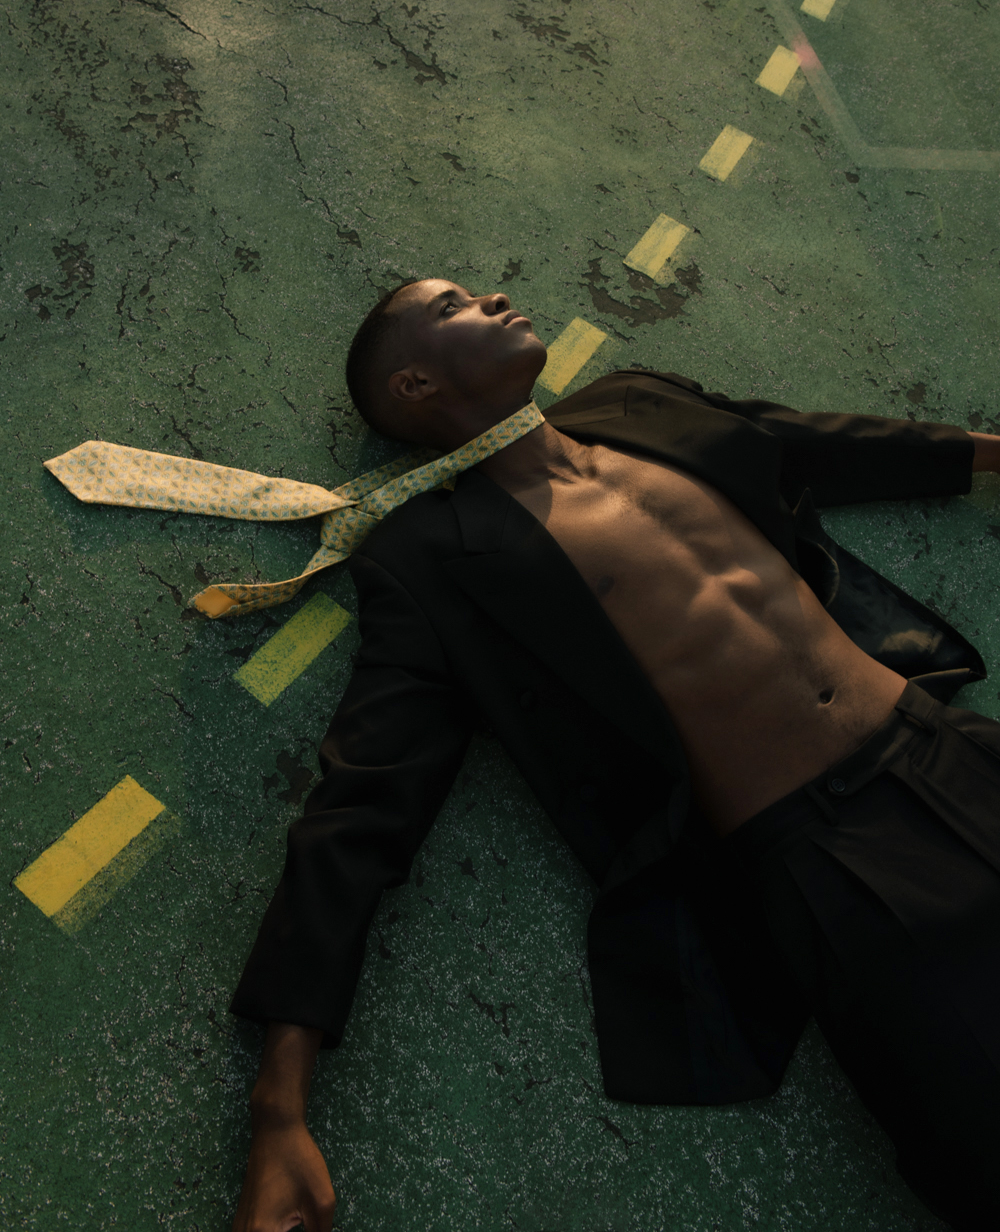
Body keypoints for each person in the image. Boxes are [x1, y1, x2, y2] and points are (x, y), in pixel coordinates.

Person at [230, 279, 1000, 1232]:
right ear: (416, 384)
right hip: (832, 861)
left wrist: (989, 451)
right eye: (452, 305)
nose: (494, 293)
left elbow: (807, 442)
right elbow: (364, 803)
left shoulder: (636, 401)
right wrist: (278, 1109)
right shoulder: (427, 557)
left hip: (947, 746)